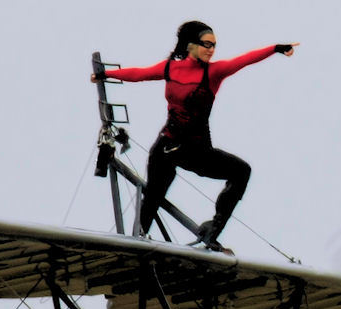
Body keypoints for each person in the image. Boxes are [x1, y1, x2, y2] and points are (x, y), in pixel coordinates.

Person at [92, 21, 297, 253]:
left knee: (241, 171)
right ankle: (136, 245)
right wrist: (105, 74)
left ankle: (213, 229)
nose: (211, 50)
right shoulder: (170, 68)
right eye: (206, 44)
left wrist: (275, 48)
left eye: (214, 46)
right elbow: (140, 74)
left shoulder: (214, 72)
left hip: (196, 151)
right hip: (167, 148)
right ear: (190, 45)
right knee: (152, 199)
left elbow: (244, 60)